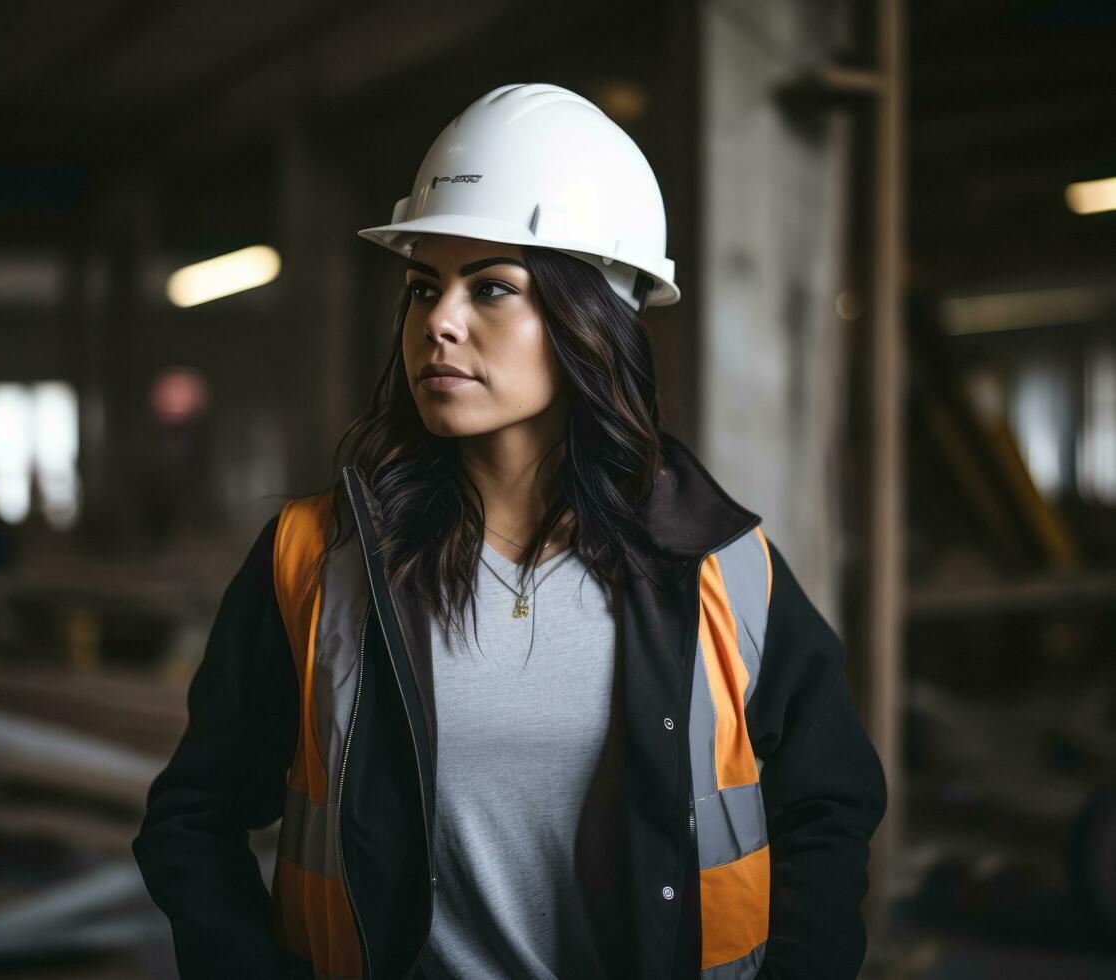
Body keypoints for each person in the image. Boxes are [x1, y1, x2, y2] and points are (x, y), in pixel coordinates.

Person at [133, 82, 888, 980]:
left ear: (591, 320)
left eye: (491, 287)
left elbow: (829, 810)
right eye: (423, 288)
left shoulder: (721, 566)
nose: (437, 324)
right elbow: (195, 817)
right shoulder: (315, 558)